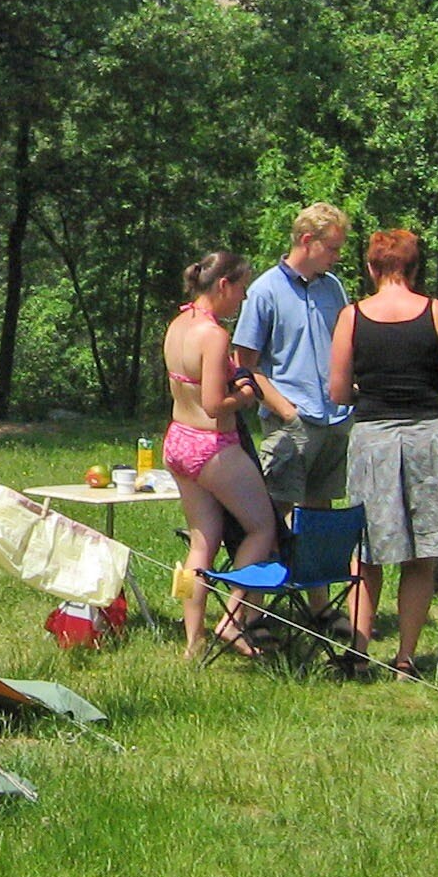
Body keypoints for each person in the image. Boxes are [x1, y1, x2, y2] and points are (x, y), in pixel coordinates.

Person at [327, 228, 438, 681]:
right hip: (430, 437)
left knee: (367, 555)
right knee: (421, 556)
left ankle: (358, 650)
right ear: (413, 268)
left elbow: (336, 391)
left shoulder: (352, 317)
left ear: (371, 268)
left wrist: (365, 389)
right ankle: (406, 659)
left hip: (374, 440)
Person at [164, 250, 278, 660]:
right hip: (211, 445)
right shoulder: (214, 335)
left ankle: (192, 643)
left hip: (176, 439)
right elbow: (214, 403)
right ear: (224, 285)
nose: (244, 298)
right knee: (262, 528)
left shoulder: (179, 323)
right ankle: (233, 619)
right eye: (242, 287)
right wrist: (245, 394)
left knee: (202, 543)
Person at [233, 203, 353, 517]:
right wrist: (287, 412)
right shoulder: (264, 291)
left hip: (334, 418)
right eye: (331, 248)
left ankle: (311, 566)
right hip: (291, 420)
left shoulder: (333, 288)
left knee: (320, 512)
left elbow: (344, 345)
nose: (336, 257)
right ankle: (265, 564)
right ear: (307, 240)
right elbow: (245, 363)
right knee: (275, 509)